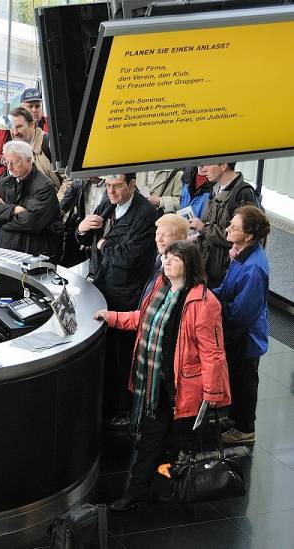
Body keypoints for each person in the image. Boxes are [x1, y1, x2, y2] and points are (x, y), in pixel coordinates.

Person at [94, 241, 230, 511]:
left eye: (173, 258)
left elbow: (212, 352)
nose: (165, 262)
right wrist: (111, 318)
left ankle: (166, 488)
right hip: (155, 386)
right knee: (150, 441)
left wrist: (213, 394)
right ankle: (139, 491)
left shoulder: (204, 302)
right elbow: (142, 320)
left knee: (176, 445)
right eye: (166, 257)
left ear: (188, 264)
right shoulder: (160, 288)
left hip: (184, 389)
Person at [77, 173, 158, 430]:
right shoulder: (108, 202)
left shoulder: (145, 214)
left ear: (132, 185)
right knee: (107, 350)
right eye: (109, 186)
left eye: (117, 186)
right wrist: (82, 229)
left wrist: (101, 245)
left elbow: (129, 257)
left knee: (122, 353)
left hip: (126, 293)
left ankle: (123, 408)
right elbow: (85, 239)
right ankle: (108, 400)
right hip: (102, 283)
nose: (111, 191)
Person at [215, 205, 270, 445]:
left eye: (234, 227)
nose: (227, 229)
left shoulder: (254, 267)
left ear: (248, 235)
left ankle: (245, 428)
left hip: (246, 336)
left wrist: (215, 309)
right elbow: (228, 290)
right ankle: (236, 417)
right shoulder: (241, 253)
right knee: (237, 379)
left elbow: (242, 312)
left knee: (245, 382)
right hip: (239, 332)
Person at [0, 140, 60, 256]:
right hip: (5, 252)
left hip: (32, 255)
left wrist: (3, 217)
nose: (9, 167)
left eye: (14, 162)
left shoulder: (45, 186)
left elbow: (31, 223)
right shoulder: (5, 182)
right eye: (7, 162)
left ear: (29, 161)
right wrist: (13, 210)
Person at [190, 162, 257, 287]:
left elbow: (242, 237)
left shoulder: (243, 194)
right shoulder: (215, 189)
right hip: (205, 271)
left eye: (207, 164)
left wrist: (204, 228)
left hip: (221, 276)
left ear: (223, 166)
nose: (203, 169)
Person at [60, 176, 107, 266]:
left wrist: (94, 240)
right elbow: (64, 204)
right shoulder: (79, 181)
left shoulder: (113, 185)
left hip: (103, 239)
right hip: (82, 234)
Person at [142, 213, 190, 301]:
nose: (159, 239)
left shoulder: (180, 271)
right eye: (157, 234)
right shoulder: (158, 260)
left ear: (181, 239)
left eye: (165, 235)